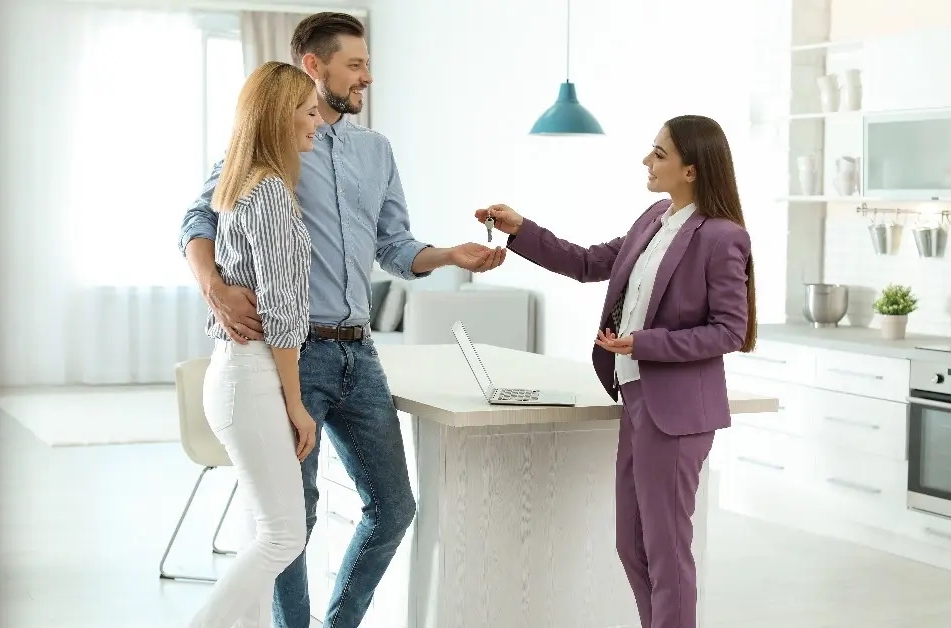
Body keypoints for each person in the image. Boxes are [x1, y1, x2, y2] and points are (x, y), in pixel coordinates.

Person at [178, 12, 506, 628]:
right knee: (292, 521)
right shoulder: (271, 149)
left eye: (367, 64)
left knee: (394, 506)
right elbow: (199, 218)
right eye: (355, 65)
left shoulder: (375, 151)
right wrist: (213, 287)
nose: (367, 77)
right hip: (291, 353)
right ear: (314, 66)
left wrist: (449, 255)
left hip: (359, 352)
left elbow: (395, 248)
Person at [475, 115, 757, 628]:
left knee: (666, 550)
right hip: (636, 397)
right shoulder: (654, 219)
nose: (647, 160)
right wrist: (521, 230)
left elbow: (729, 332)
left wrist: (645, 344)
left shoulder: (722, 237)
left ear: (691, 170)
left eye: (659, 153)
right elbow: (587, 262)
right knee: (632, 544)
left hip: (678, 413)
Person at [188, 60, 322, 628]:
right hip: (252, 375)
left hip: (237, 373)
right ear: (281, 117)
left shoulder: (240, 183)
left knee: (262, 529)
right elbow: (283, 310)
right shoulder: (267, 191)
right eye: (309, 111)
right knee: (284, 535)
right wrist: (296, 403)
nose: (319, 121)